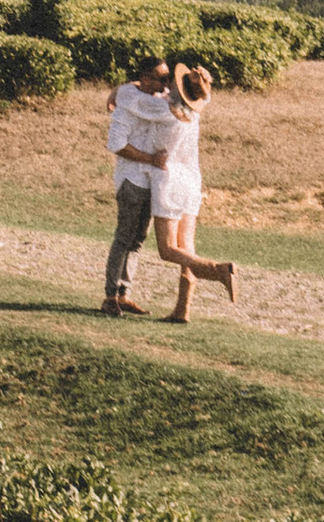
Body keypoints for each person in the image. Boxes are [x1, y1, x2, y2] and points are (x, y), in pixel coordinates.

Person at [144, 62, 238, 322]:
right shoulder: (194, 110)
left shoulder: (161, 109)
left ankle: (218, 270)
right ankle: (182, 309)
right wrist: (202, 82)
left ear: (176, 87)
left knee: (168, 249)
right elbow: (204, 95)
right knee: (187, 247)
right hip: (191, 181)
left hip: (169, 179)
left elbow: (131, 96)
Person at [102, 54, 173, 316]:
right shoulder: (127, 103)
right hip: (132, 178)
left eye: (168, 79)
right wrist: (151, 159)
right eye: (161, 79)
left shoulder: (149, 100)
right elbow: (117, 145)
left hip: (149, 179)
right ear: (144, 78)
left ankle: (124, 294)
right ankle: (110, 296)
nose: (165, 85)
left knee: (138, 240)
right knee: (123, 238)